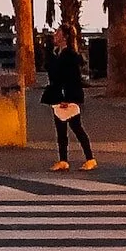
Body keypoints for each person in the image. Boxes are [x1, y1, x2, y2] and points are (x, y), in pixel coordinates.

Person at [43, 27, 96, 171]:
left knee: (77, 128)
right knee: (60, 130)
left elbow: (73, 78)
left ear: (65, 37)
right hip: (57, 95)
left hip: (67, 96)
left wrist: (69, 97)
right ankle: (63, 160)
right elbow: (49, 70)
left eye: (58, 34)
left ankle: (90, 158)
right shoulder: (56, 54)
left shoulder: (70, 55)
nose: (55, 36)